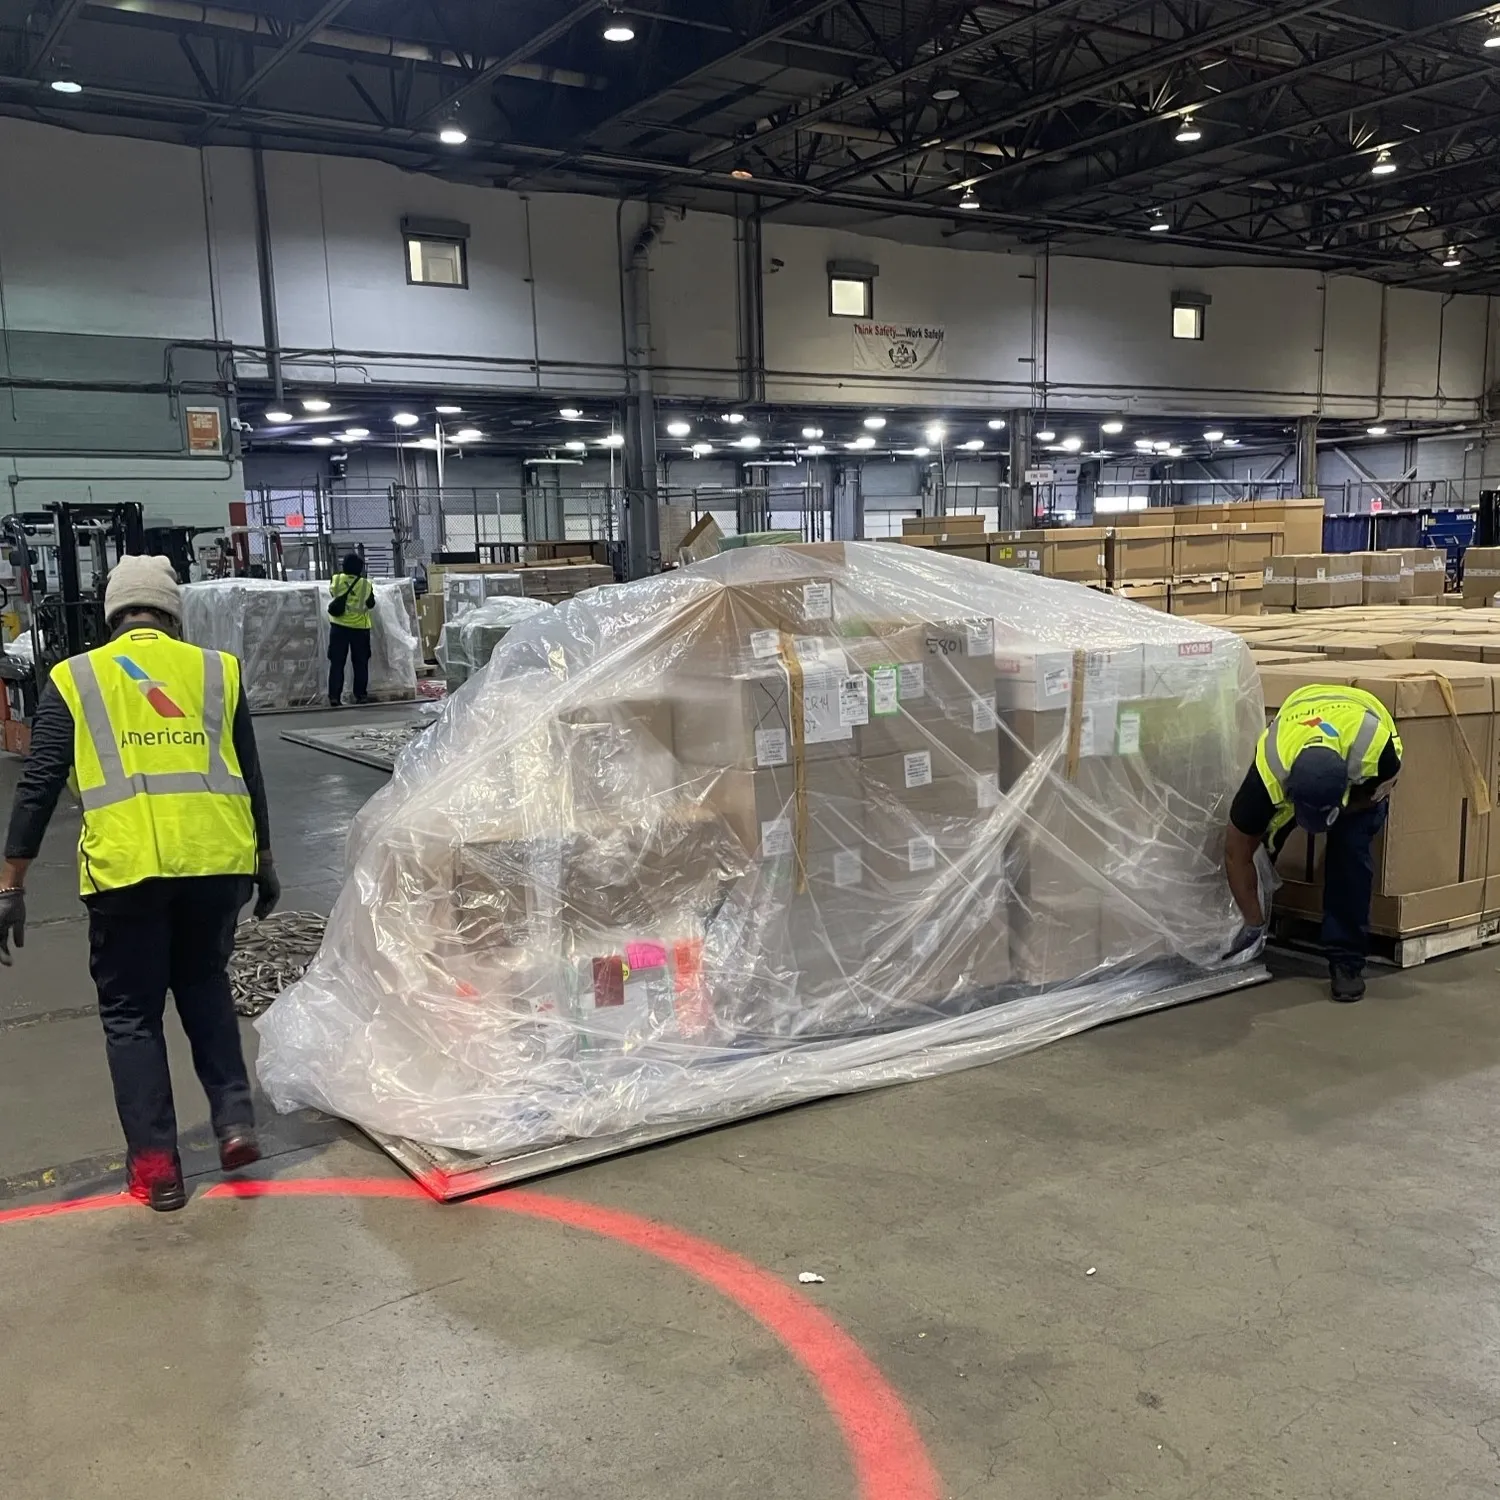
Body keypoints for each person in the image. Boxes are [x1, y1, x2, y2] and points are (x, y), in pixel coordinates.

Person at [0, 555, 280, 1211]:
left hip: (128, 874)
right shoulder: (216, 670)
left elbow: (37, 787)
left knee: (132, 1018)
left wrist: (11, 881)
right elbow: (251, 772)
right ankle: (236, 1122)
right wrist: (264, 860)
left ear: (113, 613)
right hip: (219, 863)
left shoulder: (74, 678)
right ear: (171, 611)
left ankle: (157, 1168)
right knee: (205, 988)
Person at [1224, 681, 1401, 1002]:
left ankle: (1346, 960)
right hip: (1303, 715)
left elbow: (1383, 787)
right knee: (1264, 844)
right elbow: (1237, 853)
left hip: (1360, 766)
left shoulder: (1378, 752)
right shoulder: (1267, 772)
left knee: (1349, 854)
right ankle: (1256, 926)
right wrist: (1252, 920)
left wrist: (1348, 806)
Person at [327, 551, 375, 706]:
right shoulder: (366, 584)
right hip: (360, 628)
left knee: (337, 663)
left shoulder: (337, 579)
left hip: (339, 628)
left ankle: (334, 696)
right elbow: (371, 604)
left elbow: (332, 592)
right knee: (360, 663)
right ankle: (361, 695)